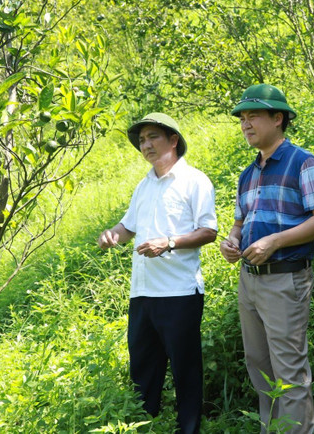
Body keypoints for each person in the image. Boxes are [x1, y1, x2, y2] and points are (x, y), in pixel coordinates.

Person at [219, 84, 314, 434]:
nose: (246, 124)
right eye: (242, 118)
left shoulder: (303, 163)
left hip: (285, 278)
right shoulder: (248, 173)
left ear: (278, 118)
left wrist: (274, 241)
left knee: (289, 371)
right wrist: (231, 240)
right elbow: (239, 223)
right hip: (249, 280)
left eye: (253, 116)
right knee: (259, 366)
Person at [97, 113, 217, 434]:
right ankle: (142, 427)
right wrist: (113, 235)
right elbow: (127, 227)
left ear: (173, 140)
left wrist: (170, 242)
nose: (145, 145)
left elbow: (208, 231)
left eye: (152, 137)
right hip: (142, 295)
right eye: (141, 141)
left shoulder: (195, 181)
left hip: (179, 293)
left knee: (185, 372)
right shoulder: (143, 185)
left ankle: (188, 429)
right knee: (143, 373)